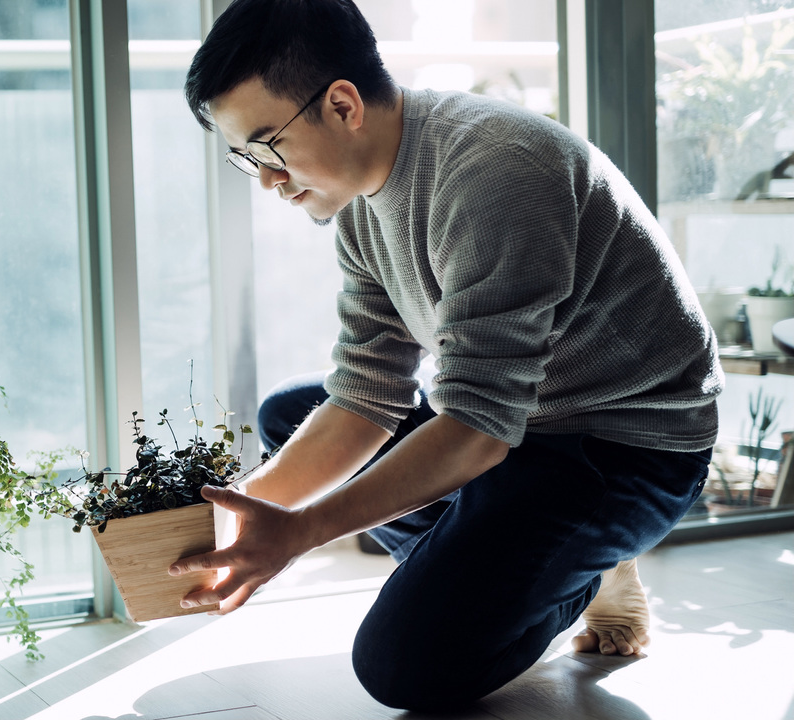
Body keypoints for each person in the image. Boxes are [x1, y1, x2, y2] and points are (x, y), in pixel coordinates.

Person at [167, 0, 723, 711]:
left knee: (402, 668)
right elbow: (366, 394)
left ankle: (581, 570)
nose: (268, 179)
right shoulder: (360, 204)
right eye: (246, 159)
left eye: (268, 147)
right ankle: (508, 559)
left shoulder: (497, 173)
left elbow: (475, 429)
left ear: (341, 104)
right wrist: (245, 517)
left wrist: (301, 531)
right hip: (517, 428)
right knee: (292, 414)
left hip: (619, 445)